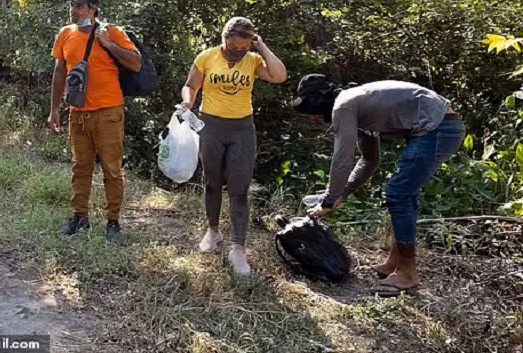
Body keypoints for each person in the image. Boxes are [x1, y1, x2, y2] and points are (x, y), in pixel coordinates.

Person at [292, 75, 466, 295]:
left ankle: (408, 272)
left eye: (311, 111)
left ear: (319, 102)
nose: (312, 119)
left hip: (439, 128)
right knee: (405, 192)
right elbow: (369, 160)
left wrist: (329, 199)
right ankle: (395, 263)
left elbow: (342, 158)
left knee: (397, 192)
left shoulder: (343, 106)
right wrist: (342, 193)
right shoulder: (358, 107)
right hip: (438, 126)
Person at [179, 17, 287, 276]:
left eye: (244, 47)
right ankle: (213, 232)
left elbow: (280, 76)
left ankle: (238, 248)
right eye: (234, 46)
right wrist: (187, 103)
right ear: (225, 39)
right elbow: (191, 86)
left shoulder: (253, 60)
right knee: (212, 183)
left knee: (239, 189)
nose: (239, 52)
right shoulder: (207, 57)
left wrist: (260, 47)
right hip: (211, 128)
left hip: (242, 131)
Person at [47, 0, 141, 242]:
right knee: (80, 167)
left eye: (79, 5)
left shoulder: (112, 32)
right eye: (73, 5)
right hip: (78, 113)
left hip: (109, 112)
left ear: (93, 8)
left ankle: (113, 222)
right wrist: (54, 109)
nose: (74, 10)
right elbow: (59, 72)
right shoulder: (65, 34)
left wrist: (108, 44)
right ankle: (80, 217)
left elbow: (135, 62)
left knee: (112, 169)